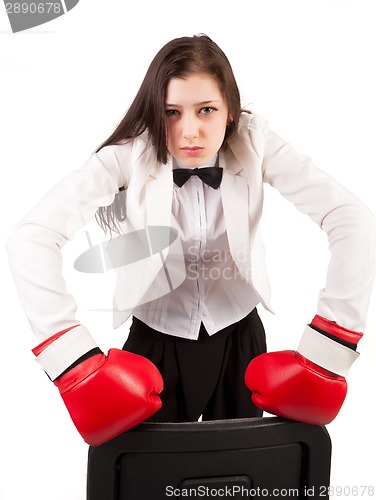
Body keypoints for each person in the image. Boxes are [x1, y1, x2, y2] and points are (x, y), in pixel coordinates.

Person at [7, 34, 376, 447]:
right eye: (171, 112)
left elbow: (351, 219)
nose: (189, 132)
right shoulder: (128, 155)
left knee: (241, 478)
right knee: (149, 481)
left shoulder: (256, 142)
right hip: (154, 344)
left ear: (230, 110)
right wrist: (74, 363)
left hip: (241, 337)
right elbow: (32, 237)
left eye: (206, 110)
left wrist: (329, 351)